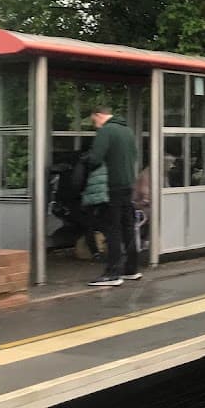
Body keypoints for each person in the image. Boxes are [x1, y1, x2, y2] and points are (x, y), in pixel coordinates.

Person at [84, 105, 139, 287]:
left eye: (94, 121)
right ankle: (131, 269)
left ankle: (112, 273)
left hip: (112, 186)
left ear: (99, 116)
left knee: (112, 229)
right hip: (128, 185)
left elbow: (95, 159)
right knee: (128, 227)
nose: (95, 125)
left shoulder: (106, 131)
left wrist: (86, 162)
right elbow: (134, 156)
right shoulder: (127, 131)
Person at [79, 159, 108, 262]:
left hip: (89, 198)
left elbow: (79, 181)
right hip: (105, 197)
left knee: (89, 226)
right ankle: (111, 250)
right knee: (107, 225)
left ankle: (95, 252)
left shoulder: (86, 161)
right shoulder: (108, 159)